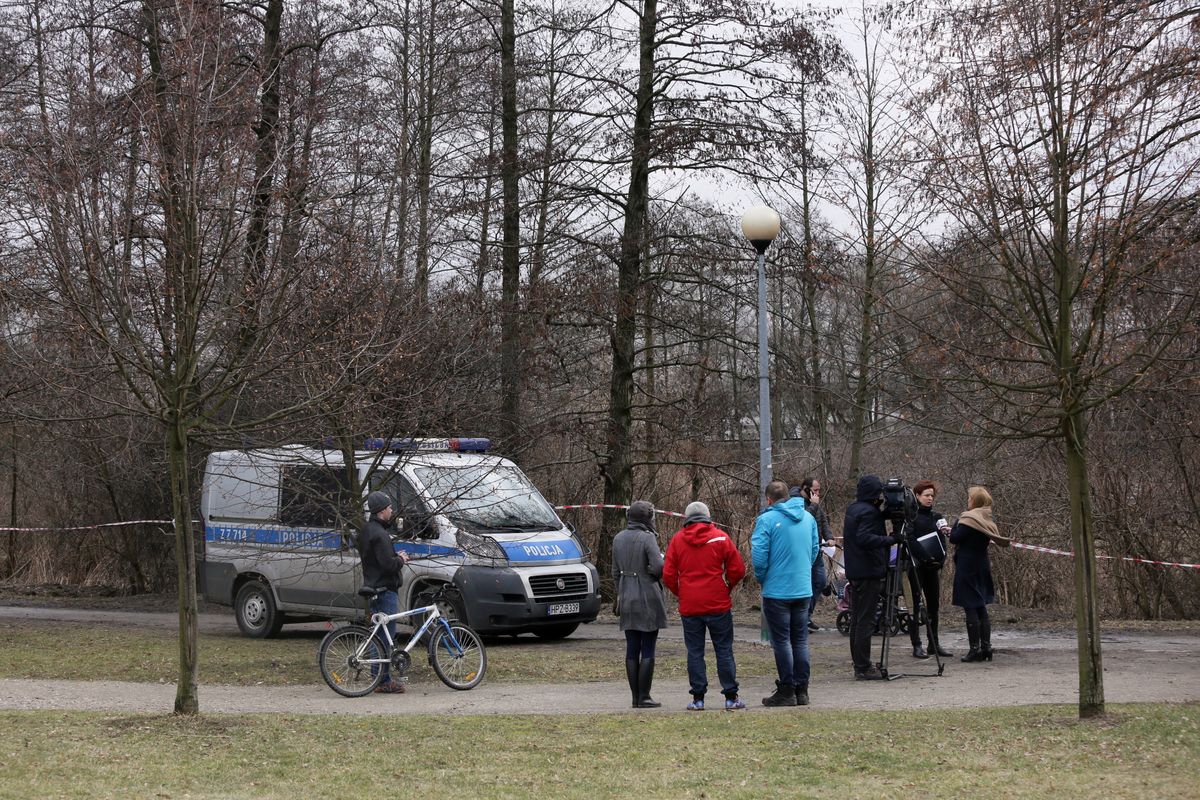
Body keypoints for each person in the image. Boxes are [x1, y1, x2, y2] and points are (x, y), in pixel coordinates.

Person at [663, 500, 748, 711]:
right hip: (718, 603)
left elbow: (668, 574)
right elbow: (738, 569)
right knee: (724, 650)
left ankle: (698, 699)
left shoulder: (677, 540)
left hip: (691, 605)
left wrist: (681, 592)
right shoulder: (720, 537)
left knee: (694, 652)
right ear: (708, 517)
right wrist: (726, 586)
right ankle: (731, 696)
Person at [751, 479, 819, 706]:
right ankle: (803, 690)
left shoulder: (766, 520)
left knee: (781, 641)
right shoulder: (808, 518)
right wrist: (803, 571)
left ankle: (787, 689)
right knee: (800, 640)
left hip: (777, 590)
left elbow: (759, 556)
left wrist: (763, 578)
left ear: (768, 499)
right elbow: (814, 549)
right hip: (802, 588)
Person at [842, 474, 900, 680]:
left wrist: (885, 514)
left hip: (857, 571)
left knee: (857, 620)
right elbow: (865, 537)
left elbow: (868, 521)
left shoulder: (855, 508)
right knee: (865, 621)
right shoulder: (868, 513)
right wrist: (891, 539)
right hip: (869, 572)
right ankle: (863, 667)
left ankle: (860, 664)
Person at [612, 500, 668, 708]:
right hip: (647, 596)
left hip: (626, 595)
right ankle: (644, 696)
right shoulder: (647, 538)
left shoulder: (618, 538)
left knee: (632, 648)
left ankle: (635, 697)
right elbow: (659, 567)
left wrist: (622, 591)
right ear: (647, 518)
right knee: (649, 648)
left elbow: (615, 572)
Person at [357, 490, 410, 694]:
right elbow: (387, 565)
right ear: (381, 511)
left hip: (374, 586)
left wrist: (395, 556)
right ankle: (383, 680)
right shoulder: (379, 534)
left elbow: (377, 559)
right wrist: (401, 560)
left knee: (379, 635)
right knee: (386, 636)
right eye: (389, 508)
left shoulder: (368, 530)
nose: (391, 511)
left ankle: (378, 678)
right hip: (384, 588)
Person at [951, 486, 1011, 662]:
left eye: (970, 498)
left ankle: (974, 649)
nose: (968, 501)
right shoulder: (987, 518)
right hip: (982, 563)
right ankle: (986, 647)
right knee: (981, 606)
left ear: (974, 501)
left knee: (970, 605)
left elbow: (955, 537)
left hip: (967, 565)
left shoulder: (969, 519)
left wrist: (955, 524)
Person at [906, 480, 952, 659]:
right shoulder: (911, 518)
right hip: (917, 567)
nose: (930, 498)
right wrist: (925, 558)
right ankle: (916, 645)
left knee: (933, 606)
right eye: (926, 495)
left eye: (932, 495)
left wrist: (940, 560)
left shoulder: (936, 517)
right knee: (915, 607)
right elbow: (910, 540)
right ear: (917, 496)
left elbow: (942, 541)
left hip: (933, 568)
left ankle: (934, 643)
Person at [791, 478, 834, 632]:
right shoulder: (795, 502)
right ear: (806, 489)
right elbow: (801, 520)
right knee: (804, 585)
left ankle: (806, 616)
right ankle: (799, 619)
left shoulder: (815, 502)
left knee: (820, 581)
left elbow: (822, 521)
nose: (818, 493)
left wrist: (829, 537)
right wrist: (814, 505)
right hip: (802, 552)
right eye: (815, 490)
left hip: (815, 550)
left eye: (819, 490)